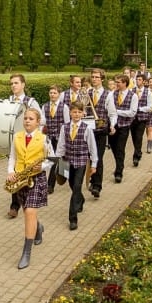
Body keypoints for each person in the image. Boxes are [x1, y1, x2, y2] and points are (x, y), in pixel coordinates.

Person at [6, 107, 50, 270]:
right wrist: (10, 172)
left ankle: (26, 252)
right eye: (25, 118)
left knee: (30, 212)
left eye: (31, 119)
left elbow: (51, 159)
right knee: (27, 212)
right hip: (20, 179)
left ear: (38, 122)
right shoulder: (17, 137)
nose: (27, 121)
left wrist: (42, 167)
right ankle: (38, 227)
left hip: (36, 179)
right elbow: (12, 157)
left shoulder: (44, 138)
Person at [3, 74, 41, 219]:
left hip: (28, 142)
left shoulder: (31, 102)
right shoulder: (7, 102)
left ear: (23, 84)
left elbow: (40, 120)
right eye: (11, 83)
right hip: (14, 142)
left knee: (25, 173)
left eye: (16, 83)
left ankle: (26, 200)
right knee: (14, 172)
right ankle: (14, 206)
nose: (13, 86)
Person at [55, 101, 96, 231]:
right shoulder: (64, 127)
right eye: (74, 112)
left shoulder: (87, 128)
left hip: (81, 161)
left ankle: (73, 219)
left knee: (77, 185)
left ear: (83, 113)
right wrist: (57, 160)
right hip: (67, 161)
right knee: (72, 185)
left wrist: (94, 164)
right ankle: (81, 200)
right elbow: (61, 145)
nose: (76, 114)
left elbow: (92, 148)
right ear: (70, 113)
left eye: (79, 112)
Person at [85, 68, 113, 198]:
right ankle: (91, 179)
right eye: (93, 77)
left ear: (102, 79)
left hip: (101, 130)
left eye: (97, 77)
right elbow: (83, 109)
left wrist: (112, 125)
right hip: (88, 130)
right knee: (90, 157)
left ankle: (97, 186)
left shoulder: (109, 94)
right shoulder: (87, 92)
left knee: (98, 157)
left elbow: (112, 113)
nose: (94, 79)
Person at [108, 73, 138, 183]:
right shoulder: (112, 94)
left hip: (124, 126)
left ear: (125, 83)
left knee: (120, 148)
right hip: (112, 125)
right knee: (114, 147)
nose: (116, 84)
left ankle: (119, 172)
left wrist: (117, 111)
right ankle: (118, 164)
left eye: (118, 82)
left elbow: (132, 113)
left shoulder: (133, 96)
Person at [42, 83, 66, 193]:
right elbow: (42, 122)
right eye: (51, 93)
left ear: (59, 94)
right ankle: (52, 183)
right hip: (49, 137)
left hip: (60, 137)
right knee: (52, 159)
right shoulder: (45, 106)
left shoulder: (64, 107)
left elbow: (67, 123)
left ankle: (57, 181)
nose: (52, 95)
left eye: (55, 93)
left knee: (59, 158)